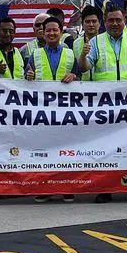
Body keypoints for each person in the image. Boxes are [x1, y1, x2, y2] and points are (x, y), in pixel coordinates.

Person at [79, 4, 127, 203]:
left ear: (125, 20)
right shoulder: (96, 42)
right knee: (106, 149)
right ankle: (105, 189)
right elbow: (85, 68)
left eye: (119, 20)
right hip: (105, 106)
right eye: (111, 20)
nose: (115, 23)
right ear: (105, 22)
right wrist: (83, 54)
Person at [26, 17, 78, 204]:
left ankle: (67, 188)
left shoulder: (71, 54)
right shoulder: (35, 55)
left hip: (65, 110)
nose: (51, 33)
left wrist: (73, 75)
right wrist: (28, 76)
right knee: (43, 151)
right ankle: (44, 189)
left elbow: (79, 78)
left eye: (55, 30)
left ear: (61, 31)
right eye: (48, 30)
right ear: (43, 32)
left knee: (66, 150)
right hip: (43, 111)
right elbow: (28, 78)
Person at [73, 7, 101, 82]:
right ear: (82, 24)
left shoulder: (106, 41)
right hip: (84, 88)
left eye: (94, 21)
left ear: (100, 23)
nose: (91, 25)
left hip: (103, 85)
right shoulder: (76, 43)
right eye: (87, 22)